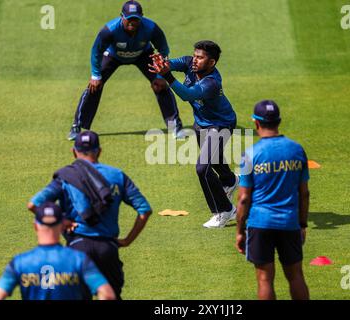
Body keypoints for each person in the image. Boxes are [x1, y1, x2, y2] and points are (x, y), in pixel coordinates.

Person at [27, 130, 152, 299]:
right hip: (108, 249)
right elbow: (144, 210)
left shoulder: (65, 177)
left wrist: (63, 222)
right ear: (99, 151)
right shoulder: (117, 176)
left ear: (74, 151)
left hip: (76, 249)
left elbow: (34, 204)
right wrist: (127, 241)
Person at [149, 40, 238, 228]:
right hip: (201, 124)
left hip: (220, 125)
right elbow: (171, 64)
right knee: (214, 161)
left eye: (201, 57)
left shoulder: (212, 83)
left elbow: (188, 94)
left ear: (212, 62)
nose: (195, 60)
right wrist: (163, 65)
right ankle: (230, 181)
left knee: (202, 169)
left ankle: (224, 211)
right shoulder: (189, 62)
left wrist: (168, 76)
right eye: (195, 56)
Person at [68, 0, 184, 141]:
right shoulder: (109, 30)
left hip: (143, 54)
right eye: (129, 19)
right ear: (122, 17)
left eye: (136, 19)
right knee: (95, 85)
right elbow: (96, 52)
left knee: (160, 85)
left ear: (141, 17)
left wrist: (160, 75)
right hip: (113, 55)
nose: (132, 22)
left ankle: (175, 127)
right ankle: (77, 126)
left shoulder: (151, 28)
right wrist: (96, 75)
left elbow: (163, 50)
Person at [235, 100, 310, 300]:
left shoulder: (251, 155)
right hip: (289, 222)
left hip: (261, 224)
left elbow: (243, 199)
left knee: (265, 279)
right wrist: (302, 224)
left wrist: (240, 231)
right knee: (295, 276)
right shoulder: (297, 150)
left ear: (256, 123)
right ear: (279, 121)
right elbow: (304, 193)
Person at [0, 202, 116, 300]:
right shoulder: (78, 260)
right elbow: (107, 294)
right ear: (62, 225)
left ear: (35, 226)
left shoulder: (19, 263)